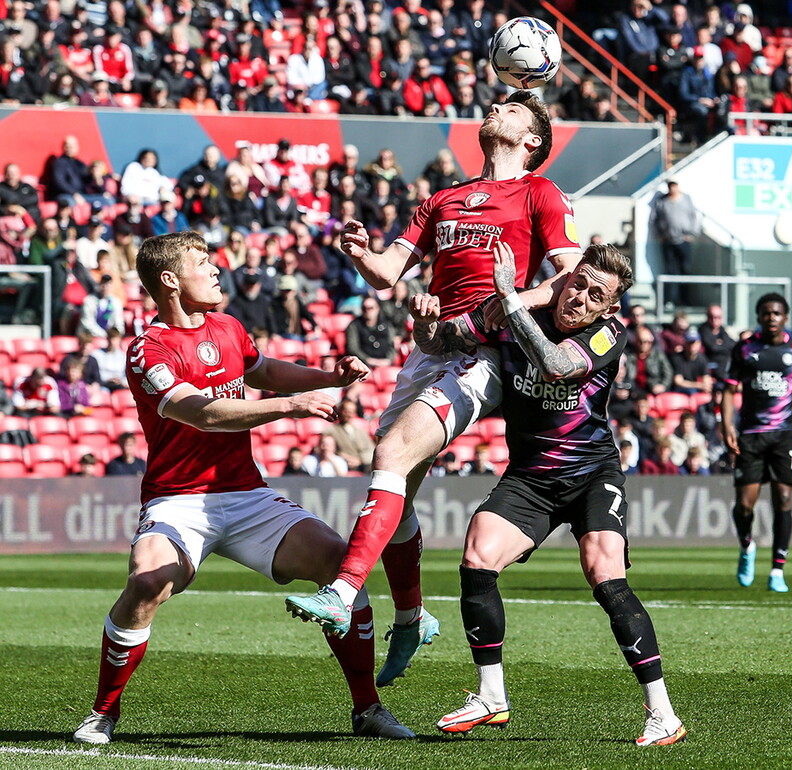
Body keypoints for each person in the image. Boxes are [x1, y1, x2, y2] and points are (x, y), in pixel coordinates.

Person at [284, 91, 583, 690]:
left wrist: (508, 305)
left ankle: (344, 590)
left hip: (484, 353)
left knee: (391, 452)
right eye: (497, 103)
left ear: (532, 140)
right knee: (398, 490)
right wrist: (363, 254)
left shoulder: (538, 193)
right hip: (428, 348)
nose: (496, 108)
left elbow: (571, 278)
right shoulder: (441, 200)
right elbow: (388, 275)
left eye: (513, 108)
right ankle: (413, 616)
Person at [72, 231, 412, 746]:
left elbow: (264, 370)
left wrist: (327, 378)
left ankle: (367, 709)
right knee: (146, 583)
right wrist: (286, 406)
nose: (215, 270)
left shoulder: (228, 326)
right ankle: (103, 712)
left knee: (340, 566)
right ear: (169, 280)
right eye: (202, 262)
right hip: (178, 500)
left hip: (246, 495)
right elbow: (204, 414)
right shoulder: (148, 349)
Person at [407, 241, 685, 746]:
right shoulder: (510, 313)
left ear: (609, 307)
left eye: (595, 294)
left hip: (590, 475)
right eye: (578, 282)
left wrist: (512, 299)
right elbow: (440, 343)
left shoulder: (608, 335)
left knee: (604, 574)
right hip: (531, 477)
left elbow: (556, 364)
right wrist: (424, 320)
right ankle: (492, 696)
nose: (580, 296)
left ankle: (663, 712)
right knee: (477, 556)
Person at [722, 293, 792, 594]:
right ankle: (747, 546)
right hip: (750, 435)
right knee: (744, 506)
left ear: (785, 317)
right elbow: (728, 391)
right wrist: (727, 427)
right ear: (759, 316)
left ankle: (777, 569)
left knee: (784, 500)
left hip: (785, 435)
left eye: (777, 313)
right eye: (766, 313)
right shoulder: (745, 348)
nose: (772, 317)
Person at [650, 179, 701, 308]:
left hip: (684, 241)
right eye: (669, 186)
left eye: (674, 185)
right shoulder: (662, 201)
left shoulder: (686, 199)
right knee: (670, 271)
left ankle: (685, 300)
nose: (672, 188)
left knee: (685, 270)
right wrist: (660, 235)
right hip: (668, 240)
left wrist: (692, 234)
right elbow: (654, 219)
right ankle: (669, 300)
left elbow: (695, 217)